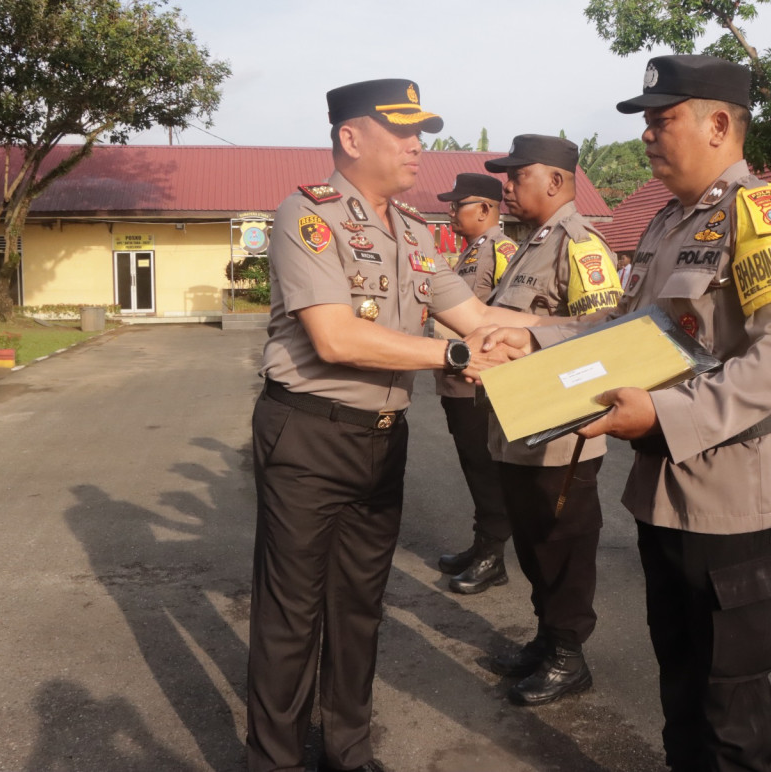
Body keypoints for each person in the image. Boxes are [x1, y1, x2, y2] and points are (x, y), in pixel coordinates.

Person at [480, 54, 771, 771]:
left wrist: (666, 416)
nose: (646, 135)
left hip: (734, 494)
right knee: (678, 670)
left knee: (728, 690)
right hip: (664, 489)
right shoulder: (667, 222)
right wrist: (536, 338)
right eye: (646, 121)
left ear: (719, 124)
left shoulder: (762, 214)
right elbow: (626, 330)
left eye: (661, 119)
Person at [248, 78, 540, 772]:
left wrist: (595, 331)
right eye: (402, 132)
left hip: (382, 437)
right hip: (309, 433)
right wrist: (455, 355)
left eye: (420, 133)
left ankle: (347, 750)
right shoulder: (307, 215)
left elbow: (477, 316)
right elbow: (335, 338)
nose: (417, 146)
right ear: (351, 138)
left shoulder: (412, 231)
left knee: (358, 606)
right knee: (292, 613)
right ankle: (276, 759)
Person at [482, 134, 623, 707]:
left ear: (557, 181)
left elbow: (607, 329)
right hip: (519, 422)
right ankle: (547, 638)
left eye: (519, 176)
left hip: (562, 431)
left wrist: (529, 333)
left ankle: (569, 654)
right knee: (534, 541)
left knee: (563, 544)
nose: (508, 187)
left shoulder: (580, 245)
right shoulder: (530, 244)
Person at [433, 173, 518, 594]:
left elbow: (507, 314)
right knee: (473, 465)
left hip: (480, 385)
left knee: (486, 469)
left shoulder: (503, 250)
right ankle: (481, 543)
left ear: (485, 209)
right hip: (457, 382)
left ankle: (492, 556)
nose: (451, 213)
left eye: (457, 205)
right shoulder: (470, 250)